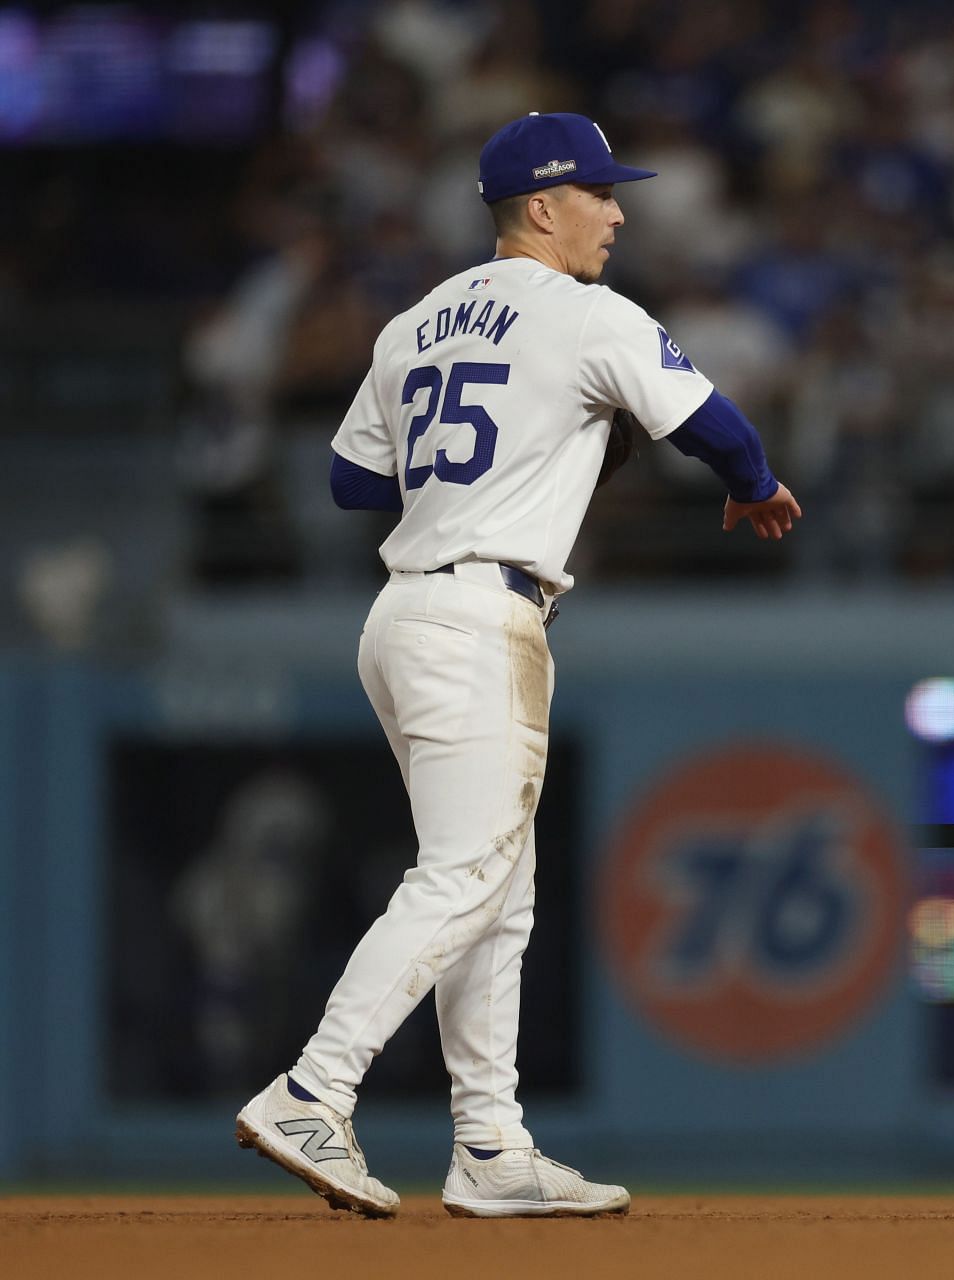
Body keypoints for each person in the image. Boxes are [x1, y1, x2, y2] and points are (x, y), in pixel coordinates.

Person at [236, 112, 802, 1219]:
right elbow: (719, 425)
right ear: (542, 206)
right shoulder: (588, 313)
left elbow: (357, 482)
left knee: (499, 885)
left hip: (401, 615)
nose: (621, 210)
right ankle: (315, 1085)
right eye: (600, 192)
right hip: (479, 615)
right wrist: (753, 483)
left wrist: (508, 444)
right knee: (464, 873)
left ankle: (490, 1142)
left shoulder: (413, 322)